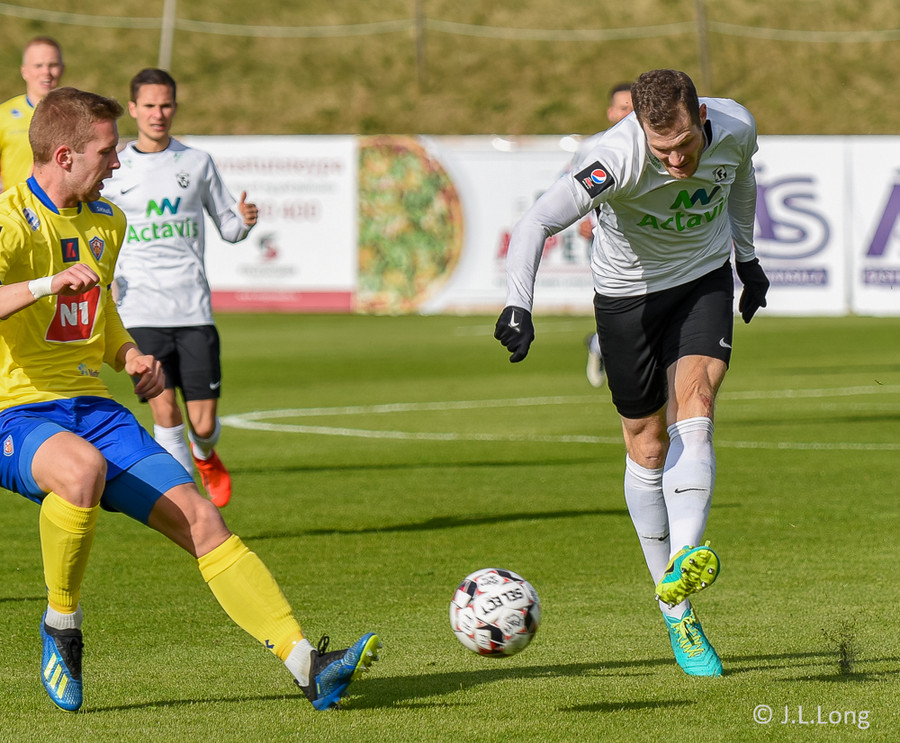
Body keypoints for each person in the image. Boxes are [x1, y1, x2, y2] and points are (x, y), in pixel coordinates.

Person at [0, 87, 379, 713]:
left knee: (204, 519)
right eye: (106, 152)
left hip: (94, 410)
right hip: (16, 411)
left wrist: (128, 355)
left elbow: (100, 311)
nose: (117, 163)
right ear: (64, 156)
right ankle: (61, 626)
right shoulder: (12, 219)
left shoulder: (107, 220)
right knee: (81, 472)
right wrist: (45, 283)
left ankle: (307, 664)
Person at [494, 69, 770, 678]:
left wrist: (746, 259)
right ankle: (676, 612)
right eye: (661, 148)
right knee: (646, 444)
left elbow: (742, 178)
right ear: (642, 131)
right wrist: (519, 304)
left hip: (702, 280)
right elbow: (535, 222)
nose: (675, 160)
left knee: (697, 402)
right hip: (626, 299)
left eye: (684, 145)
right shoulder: (614, 158)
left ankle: (687, 560)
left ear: (701, 118)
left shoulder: (736, 126)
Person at [107, 68, 257, 508]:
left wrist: (245, 221)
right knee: (164, 409)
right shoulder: (114, 167)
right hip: (139, 308)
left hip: (192, 309)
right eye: (149, 106)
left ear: (175, 107)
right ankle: (187, 505)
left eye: (166, 105)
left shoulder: (197, 162)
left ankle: (205, 454)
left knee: (203, 424)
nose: (158, 114)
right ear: (133, 109)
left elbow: (229, 227)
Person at [567, 82, 634, 388]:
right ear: (610, 112)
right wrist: (582, 220)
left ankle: (600, 342)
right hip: (605, 237)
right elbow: (570, 188)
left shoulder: (655, 143)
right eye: (623, 107)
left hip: (649, 236)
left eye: (635, 107)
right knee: (619, 301)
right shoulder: (592, 147)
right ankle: (602, 344)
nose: (629, 113)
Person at [0, 36, 64, 192]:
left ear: (62, 69)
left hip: (59, 205)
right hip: (14, 205)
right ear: (24, 71)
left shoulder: (75, 116)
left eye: (53, 65)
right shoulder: (3, 115)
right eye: (38, 65)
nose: (46, 72)